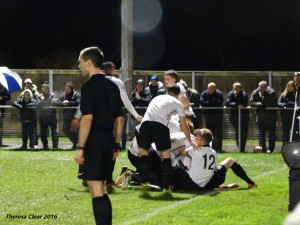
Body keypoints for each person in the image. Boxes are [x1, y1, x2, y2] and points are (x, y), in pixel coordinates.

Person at [74, 46, 123, 225]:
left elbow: (87, 119)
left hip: (94, 141)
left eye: (80, 61)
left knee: (96, 189)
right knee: (102, 188)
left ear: (88, 62)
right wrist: (116, 144)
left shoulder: (88, 87)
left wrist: (80, 148)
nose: (78, 65)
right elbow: (119, 120)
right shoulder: (114, 86)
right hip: (108, 140)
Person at [137, 84, 198, 190]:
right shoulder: (177, 103)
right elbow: (184, 125)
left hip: (145, 125)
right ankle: (165, 185)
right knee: (166, 156)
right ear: (178, 94)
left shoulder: (156, 98)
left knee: (143, 154)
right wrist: (190, 141)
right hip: (160, 126)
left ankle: (144, 181)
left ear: (167, 92)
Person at [171, 128, 257, 191]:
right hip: (209, 183)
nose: (195, 139)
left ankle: (170, 186)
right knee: (229, 161)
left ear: (202, 141)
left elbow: (183, 153)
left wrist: (190, 146)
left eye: (197, 137)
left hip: (190, 185)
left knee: (175, 167)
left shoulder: (195, 150)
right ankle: (250, 183)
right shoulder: (213, 152)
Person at [250, 80, 278, 153]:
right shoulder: (255, 92)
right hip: (260, 118)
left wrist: (261, 103)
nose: (261, 89)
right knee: (261, 135)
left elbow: (268, 104)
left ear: (266, 87)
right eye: (260, 87)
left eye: (263, 87)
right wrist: (258, 104)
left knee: (271, 135)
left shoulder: (271, 93)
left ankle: (270, 149)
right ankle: (262, 149)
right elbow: (251, 102)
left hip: (270, 118)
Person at [53, 81, 80, 149]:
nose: (66, 90)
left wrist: (69, 103)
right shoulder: (63, 95)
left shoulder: (76, 94)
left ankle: (78, 144)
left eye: (68, 88)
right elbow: (58, 102)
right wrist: (62, 103)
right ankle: (76, 142)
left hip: (75, 116)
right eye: (65, 88)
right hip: (66, 116)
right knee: (65, 129)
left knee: (76, 130)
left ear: (71, 89)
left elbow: (79, 102)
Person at [225, 82, 249, 152]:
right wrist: (236, 104)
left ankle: (242, 149)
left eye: (237, 88)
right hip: (234, 117)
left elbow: (244, 103)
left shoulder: (244, 94)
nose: (235, 90)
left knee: (243, 133)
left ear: (240, 88)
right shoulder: (230, 94)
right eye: (234, 88)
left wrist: (236, 97)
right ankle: (239, 148)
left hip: (244, 117)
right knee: (237, 132)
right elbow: (228, 103)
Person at [200, 82, 224, 152]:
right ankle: (208, 147)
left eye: (212, 88)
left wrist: (208, 103)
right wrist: (212, 102)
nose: (210, 89)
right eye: (209, 88)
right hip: (208, 117)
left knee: (218, 133)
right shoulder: (204, 94)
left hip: (218, 117)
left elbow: (219, 103)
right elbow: (202, 102)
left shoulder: (219, 94)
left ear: (215, 88)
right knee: (209, 133)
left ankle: (218, 148)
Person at [37, 81, 59, 149]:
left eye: (46, 88)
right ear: (42, 89)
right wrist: (41, 101)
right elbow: (37, 106)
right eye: (44, 88)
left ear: (48, 88)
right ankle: (45, 146)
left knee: (54, 132)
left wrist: (54, 101)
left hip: (52, 116)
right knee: (43, 133)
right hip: (42, 117)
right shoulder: (39, 96)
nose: (45, 89)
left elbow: (57, 103)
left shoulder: (53, 95)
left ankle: (55, 146)